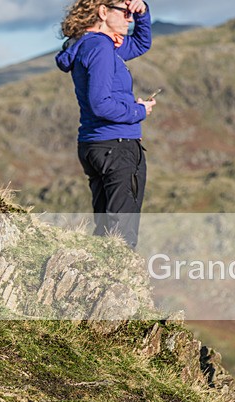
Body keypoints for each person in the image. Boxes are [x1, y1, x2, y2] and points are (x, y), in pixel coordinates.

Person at [56, 0, 155, 249]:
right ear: (102, 12)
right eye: (125, 12)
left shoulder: (91, 45)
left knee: (105, 230)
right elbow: (101, 103)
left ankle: (96, 283)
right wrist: (138, 110)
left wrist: (142, 9)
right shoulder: (101, 46)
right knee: (121, 235)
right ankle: (117, 285)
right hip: (117, 145)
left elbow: (142, 43)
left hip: (95, 145)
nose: (130, 19)